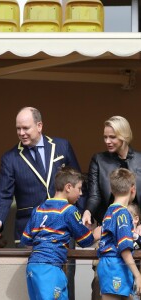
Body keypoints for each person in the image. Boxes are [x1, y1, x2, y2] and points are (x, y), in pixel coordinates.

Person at [0, 107, 83, 300]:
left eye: (26, 128)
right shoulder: (10, 158)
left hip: (63, 228)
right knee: (35, 288)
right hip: (30, 230)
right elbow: (3, 194)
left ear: (39, 126)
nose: (21, 133)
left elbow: (78, 182)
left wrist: (84, 214)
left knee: (66, 281)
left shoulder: (62, 146)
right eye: (18, 129)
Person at [82, 116, 141, 300]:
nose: (107, 141)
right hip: (111, 235)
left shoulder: (139, 159)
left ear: (124, 136)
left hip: (138, 231)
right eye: (105, 137)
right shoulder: (99, 159)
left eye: (113, 137)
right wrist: (88, 211)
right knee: (103, 287)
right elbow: (94, 195)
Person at [21, 167, 101, 300]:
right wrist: (96, 233)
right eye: (79, 188)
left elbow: (26, 240)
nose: (81, 193)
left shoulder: (38, 209)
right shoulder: (69, 210)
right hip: (51, 267)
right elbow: (85, 241)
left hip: (32, 267)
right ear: (68, 187)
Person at [97, 168, 141, 299]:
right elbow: (125, 248)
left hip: (108, 265)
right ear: (132, 189)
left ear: (111, 190)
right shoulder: (123, 213)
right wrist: (138, 275)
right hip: (115, 266)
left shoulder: (109, 210)